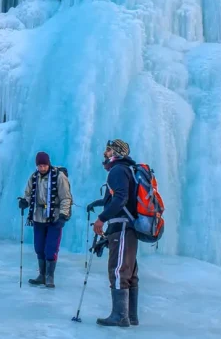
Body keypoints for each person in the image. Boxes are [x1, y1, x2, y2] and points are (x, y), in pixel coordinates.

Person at [91, 139, 140, 328]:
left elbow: (120, 198)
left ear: (117, 153)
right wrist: (97, 206)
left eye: (108, 150)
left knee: (118, 270)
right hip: (128, 228)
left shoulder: (118, 170)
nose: (105, 153)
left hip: (121, 228)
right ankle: (131, 316)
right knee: (129, 271)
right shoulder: (127, 170)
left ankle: (120, 316)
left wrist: (101, 219)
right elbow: (116, 198)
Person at [18, 151, 73, 288]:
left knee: (51, 248)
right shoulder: (34, 177)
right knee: (39, 247)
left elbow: (66, 197)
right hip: (38, 217)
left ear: (48, 164)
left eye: (44, 165)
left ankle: (49, 276)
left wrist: (63, 215)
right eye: (40, 166)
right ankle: (41, 275)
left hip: (54, 217)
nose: (42, 168)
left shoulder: (59, 177)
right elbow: (29, 194)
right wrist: (25, 201)